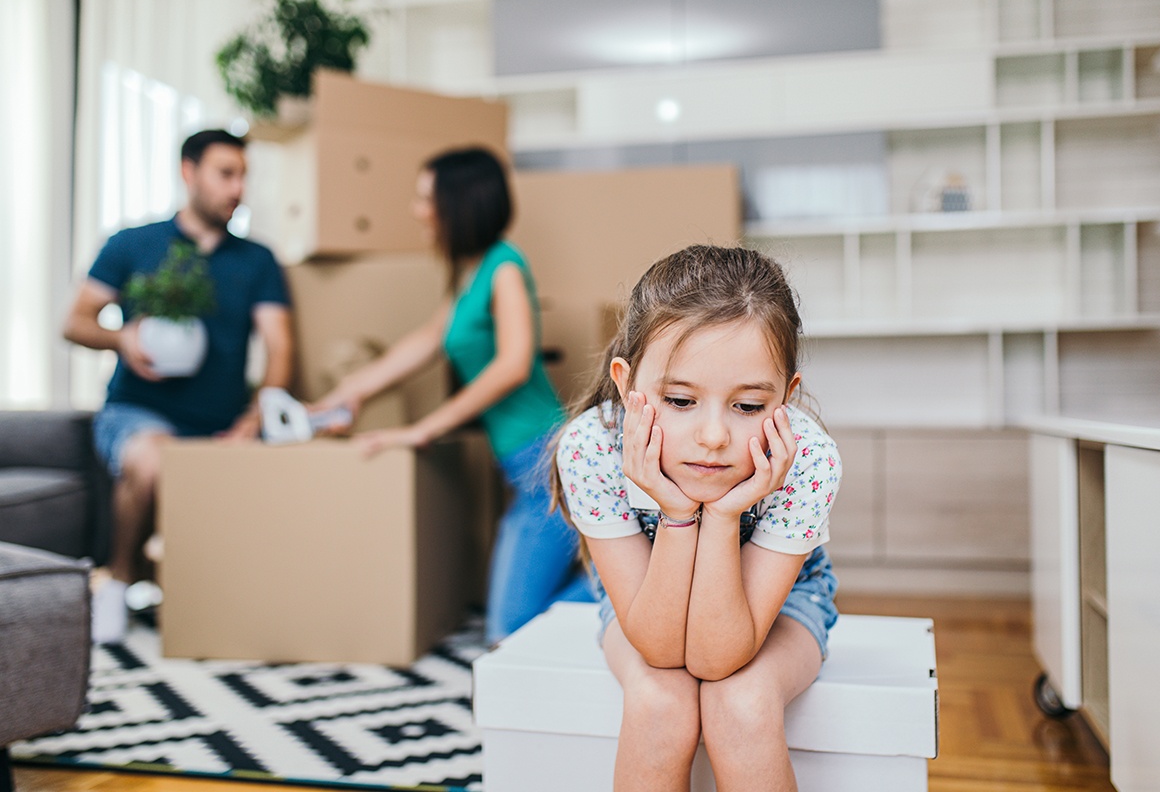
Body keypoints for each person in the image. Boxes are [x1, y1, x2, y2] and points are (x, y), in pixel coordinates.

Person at [552, 245, 841, 791]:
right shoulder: (592, 447)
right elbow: (659, 648)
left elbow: (717, 658)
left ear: (788, 397)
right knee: (660, 700)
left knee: (742, 701)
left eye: (749, 407)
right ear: (626, 383)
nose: (713, 438)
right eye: (680, 400)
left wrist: (727, 512)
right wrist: (679, 512)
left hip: (783, 602)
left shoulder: (809, 459)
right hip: (642, 596)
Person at [312, 146, 591, 643]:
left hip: (549, 469)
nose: (418, 211)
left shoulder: (506, 267)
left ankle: (621, 586)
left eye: (426, 199)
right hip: (526, 475)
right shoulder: (471, 274)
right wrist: (347, 393)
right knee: (504, 631)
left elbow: (512, 363)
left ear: (460, 205)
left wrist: (422, 429)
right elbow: (424, 342)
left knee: (510, 633)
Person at [63, 128, 294, 644]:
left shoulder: (257, 261)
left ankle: (206, 597)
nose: (237, 189)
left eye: (243, 177)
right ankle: (118, 583)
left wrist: (254, 418)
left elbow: (280, 348)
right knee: (154, 460)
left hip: (219, 422)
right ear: (188, 172)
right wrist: (123, 337)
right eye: (225, 174)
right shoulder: (132, 245)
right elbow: (74, 322)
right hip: (136, 414)